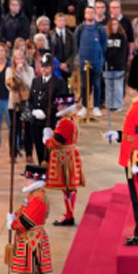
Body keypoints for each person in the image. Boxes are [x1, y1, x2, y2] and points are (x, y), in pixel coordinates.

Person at [106, 52, 138, 245]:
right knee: (137, 196)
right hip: (131, 156)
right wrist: (118, 136)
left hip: (134, 158)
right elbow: (132, 133)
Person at [7, 165, 52, 274]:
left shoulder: (38, 199)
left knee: (33, 273)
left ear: (36, 180)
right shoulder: (33, 195)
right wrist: (14, 215)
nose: (25, 181)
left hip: (32, 241)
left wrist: (13, 224)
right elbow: (23, 211)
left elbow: (26, 223)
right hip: (29, 239)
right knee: (31, 273)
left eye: (28, 178)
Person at [44, 94, 86, 225]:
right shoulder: (72, 117)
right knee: (69, 188)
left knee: (67, 188)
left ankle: (69, 215)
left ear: (66, 106)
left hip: (64, 158)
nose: (58, 107)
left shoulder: (65, 122)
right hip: (70, 154)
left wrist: (47, 140)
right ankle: (69, 213)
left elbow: (56, 142)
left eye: (60, 105)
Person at [28, 54, 67, 164]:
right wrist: (33, 110)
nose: (44, 69)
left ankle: (51, 172)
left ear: (52, 67)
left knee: (50, 150)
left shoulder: (59, 82)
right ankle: (42, 169)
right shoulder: (36, 81)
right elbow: (31, 99)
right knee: (39, 147)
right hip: (36, 122)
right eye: (42, 66)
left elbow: (60, 102)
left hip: (50, 121)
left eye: (47, 67)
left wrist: (45, 112)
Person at [75, 6, 108, 118]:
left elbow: (104, 44)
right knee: (84, 86)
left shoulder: (100, 28)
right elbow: (77, 44)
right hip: (84, 62)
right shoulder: (80, 28)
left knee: (97, 85)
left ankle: (96, 107)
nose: (89, 14)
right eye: (87, 12)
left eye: (91, 12)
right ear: (85, 15)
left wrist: (98, 55)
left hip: (97, 62)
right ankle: (84, 106)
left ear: (95, 14)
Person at [104, 17, 129, 112]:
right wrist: (108, 63)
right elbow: (104, 51)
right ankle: (110, 104)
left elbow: (123, 53)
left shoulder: (122, 37)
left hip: (119, 66)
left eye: (116, 24)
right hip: (107, 65)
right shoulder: (106, 36)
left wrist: (118, 63)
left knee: (118, 86)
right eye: (112, 24)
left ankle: (118, 104)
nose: (114, 26)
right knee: (109, 86)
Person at [50, 13, 76, 82]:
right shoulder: (50, 35)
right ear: (55, 21)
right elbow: (50, 51)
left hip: (68, 67)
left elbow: (74, 50)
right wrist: (58, 64)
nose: (61, 22)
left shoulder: (71, 35)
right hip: (55, 67)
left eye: (63, 20)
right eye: (59, 20)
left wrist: (67, 63)